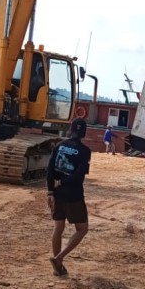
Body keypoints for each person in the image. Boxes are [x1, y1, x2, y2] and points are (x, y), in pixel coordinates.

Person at [46, 118, 92, 276]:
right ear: (84, 132)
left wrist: (50, 191)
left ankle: (58, 268)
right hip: (74, 196)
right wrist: (63, 182)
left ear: (70, 129)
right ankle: (58, 258)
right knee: (82, 229)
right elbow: (79, 175)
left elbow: (49, 169)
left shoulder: (59, 145)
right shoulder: (85, 151)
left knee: (58, 228)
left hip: (57, 195)